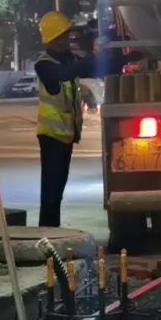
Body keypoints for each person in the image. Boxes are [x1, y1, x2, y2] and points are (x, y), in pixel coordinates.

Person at [34, 11, 98, 227]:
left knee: (58, 190)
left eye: (67, 34)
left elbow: (75, 76)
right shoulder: (44, 64)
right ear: (51, 39)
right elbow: (61, 76)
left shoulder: (68, 59)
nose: (66, 39)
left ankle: (53, 232)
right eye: (62, 35)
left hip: (66, 135)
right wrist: (90, 57)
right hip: (51, 136)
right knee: (51, 192)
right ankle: (48, 235)